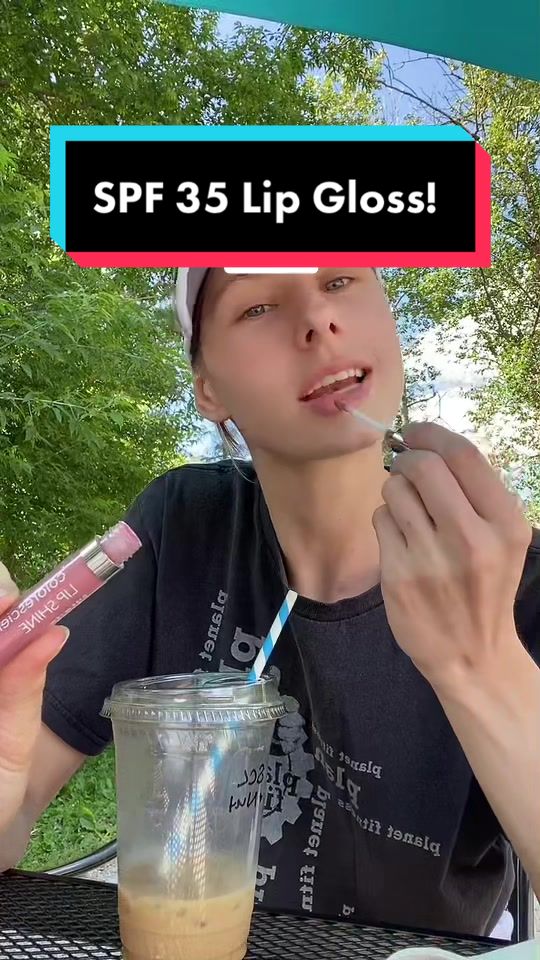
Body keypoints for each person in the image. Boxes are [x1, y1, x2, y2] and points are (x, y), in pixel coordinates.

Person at [0, 267, 538, 940]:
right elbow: (15, 801)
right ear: (209, 389)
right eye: (257, 307)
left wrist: (482, 664)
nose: (317, 320)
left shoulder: (510, 576)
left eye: (340, 280)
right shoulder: (185, 526)